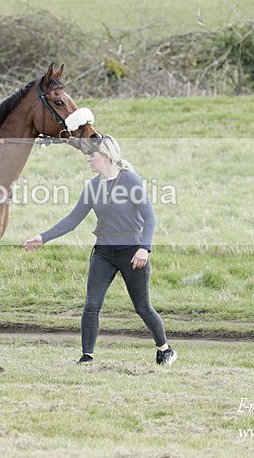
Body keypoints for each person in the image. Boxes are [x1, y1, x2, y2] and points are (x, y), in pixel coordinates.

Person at [23, 135, 176, 366]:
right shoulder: (92, 186)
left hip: (133, 252)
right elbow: (73, 220)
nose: (88, 160)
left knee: (142, 307)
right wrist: (43, 237)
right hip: (104, 253)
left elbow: (149, 217)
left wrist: (144, 248)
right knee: (91, 305)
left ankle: (165, 349)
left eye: (91, 156)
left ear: (106, 156)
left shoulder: (130, 180)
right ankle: (87, 357)